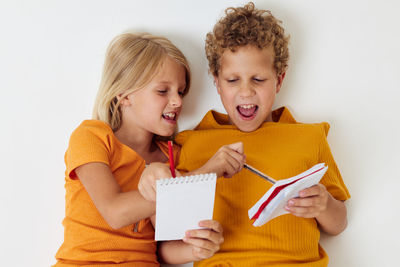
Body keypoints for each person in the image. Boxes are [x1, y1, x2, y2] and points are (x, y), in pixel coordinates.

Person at [139, 2, 350, 267]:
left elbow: (339, 222)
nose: (246, 92)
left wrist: (324, 205)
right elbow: (165, 249)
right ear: (216, 81)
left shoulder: (310, 138)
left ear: (279, 80)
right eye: (232, 80)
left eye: (258, 80)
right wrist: (194, 250)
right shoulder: (191, 143)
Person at [53, 32, 228, 267]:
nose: (177, 101)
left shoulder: (172, 156)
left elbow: (162, 250)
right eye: (163, 91)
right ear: (125, 95)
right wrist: (206, 174)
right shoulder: (91, 137)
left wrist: (196, 249)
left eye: (181, 91)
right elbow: (115, 212)